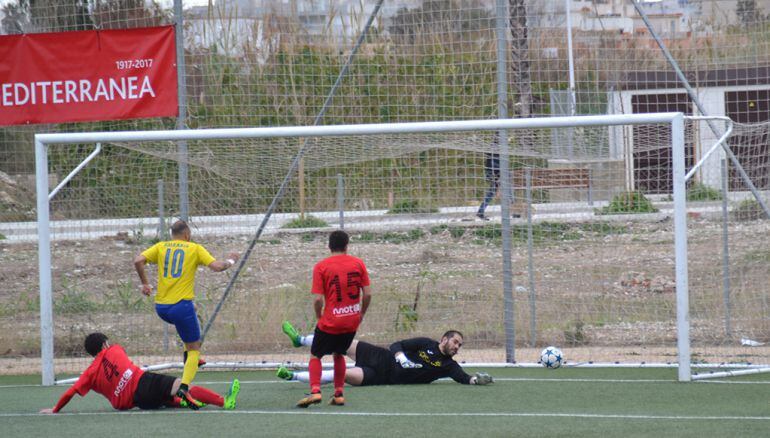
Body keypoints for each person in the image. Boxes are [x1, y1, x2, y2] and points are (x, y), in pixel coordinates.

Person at [133, 219, 239, 403]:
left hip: (162, 308)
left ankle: (192, 359)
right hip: (181, 307)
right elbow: (217, 267)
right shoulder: (194, 248)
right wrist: (231, 259)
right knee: (194, 347)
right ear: (187, 235)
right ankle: (184, 387)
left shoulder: (161, 246)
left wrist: (145, 283)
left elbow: (138, 260)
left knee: (192, 321)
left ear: (172, 235)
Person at [40, 332, 239, 414]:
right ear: (105, 344)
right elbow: (117, 365)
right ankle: (224, 401)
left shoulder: (89, 374)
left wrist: (55, 409)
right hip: (143, 382)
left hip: (138, 403)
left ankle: (185, 401)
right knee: (181, 386)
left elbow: (70, 392)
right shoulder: (114, 349)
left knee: (168, 399)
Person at [279, 323, 493, 387]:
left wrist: (477, 380)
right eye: (455, 342)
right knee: (339, 342)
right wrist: (401, 357)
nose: (457, 347)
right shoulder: (426, 343)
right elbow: (397, 344)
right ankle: (300, 341)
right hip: (381, 357)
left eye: (460, 345)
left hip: (380, 377)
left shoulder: (448, 366)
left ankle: (293, 376)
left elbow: (464, 378)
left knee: (341, 373)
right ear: (444, 339)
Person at [295, 230, 372, 408]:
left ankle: (315, 391)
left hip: (331, 321)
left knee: (316, 355)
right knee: (339, 354)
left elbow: (317, 299)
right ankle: (338, 394)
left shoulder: (322, 267)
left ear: (329, 246)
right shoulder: (358, 263)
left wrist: (318, 316)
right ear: (346, 245)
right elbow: (367, 294)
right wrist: (361, 314)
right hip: (351, 319)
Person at [477, 150, 500, 221]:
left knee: (492, 192)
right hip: (495, 171)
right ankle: (480, 212)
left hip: (492, 171)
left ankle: (481, 211)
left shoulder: (491, 148)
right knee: (492, 192)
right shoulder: (500, 148)